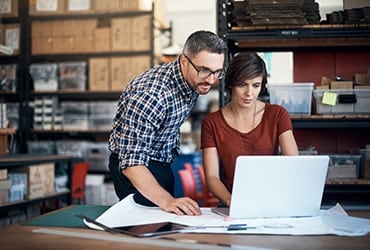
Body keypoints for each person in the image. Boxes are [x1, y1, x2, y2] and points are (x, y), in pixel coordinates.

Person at [108, 30, 227, 216]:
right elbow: (131, 162)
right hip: (137, 169)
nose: (211, 80)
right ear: (184, 62)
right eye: (204, 70)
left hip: (162, 163)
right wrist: (167, 200)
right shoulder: (151, 95)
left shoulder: (193, 79)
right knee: (145, 231)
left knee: (166, 223)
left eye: (217, 72)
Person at [201, 52, 299, 207]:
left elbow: (294, 165)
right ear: (231, 84)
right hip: (231, 204)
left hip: (273, 201)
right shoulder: (212, 123)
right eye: (242, 85)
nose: (249, 93)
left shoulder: (277, 115)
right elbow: (212, 177)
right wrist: (230, 201)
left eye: (256, 86)